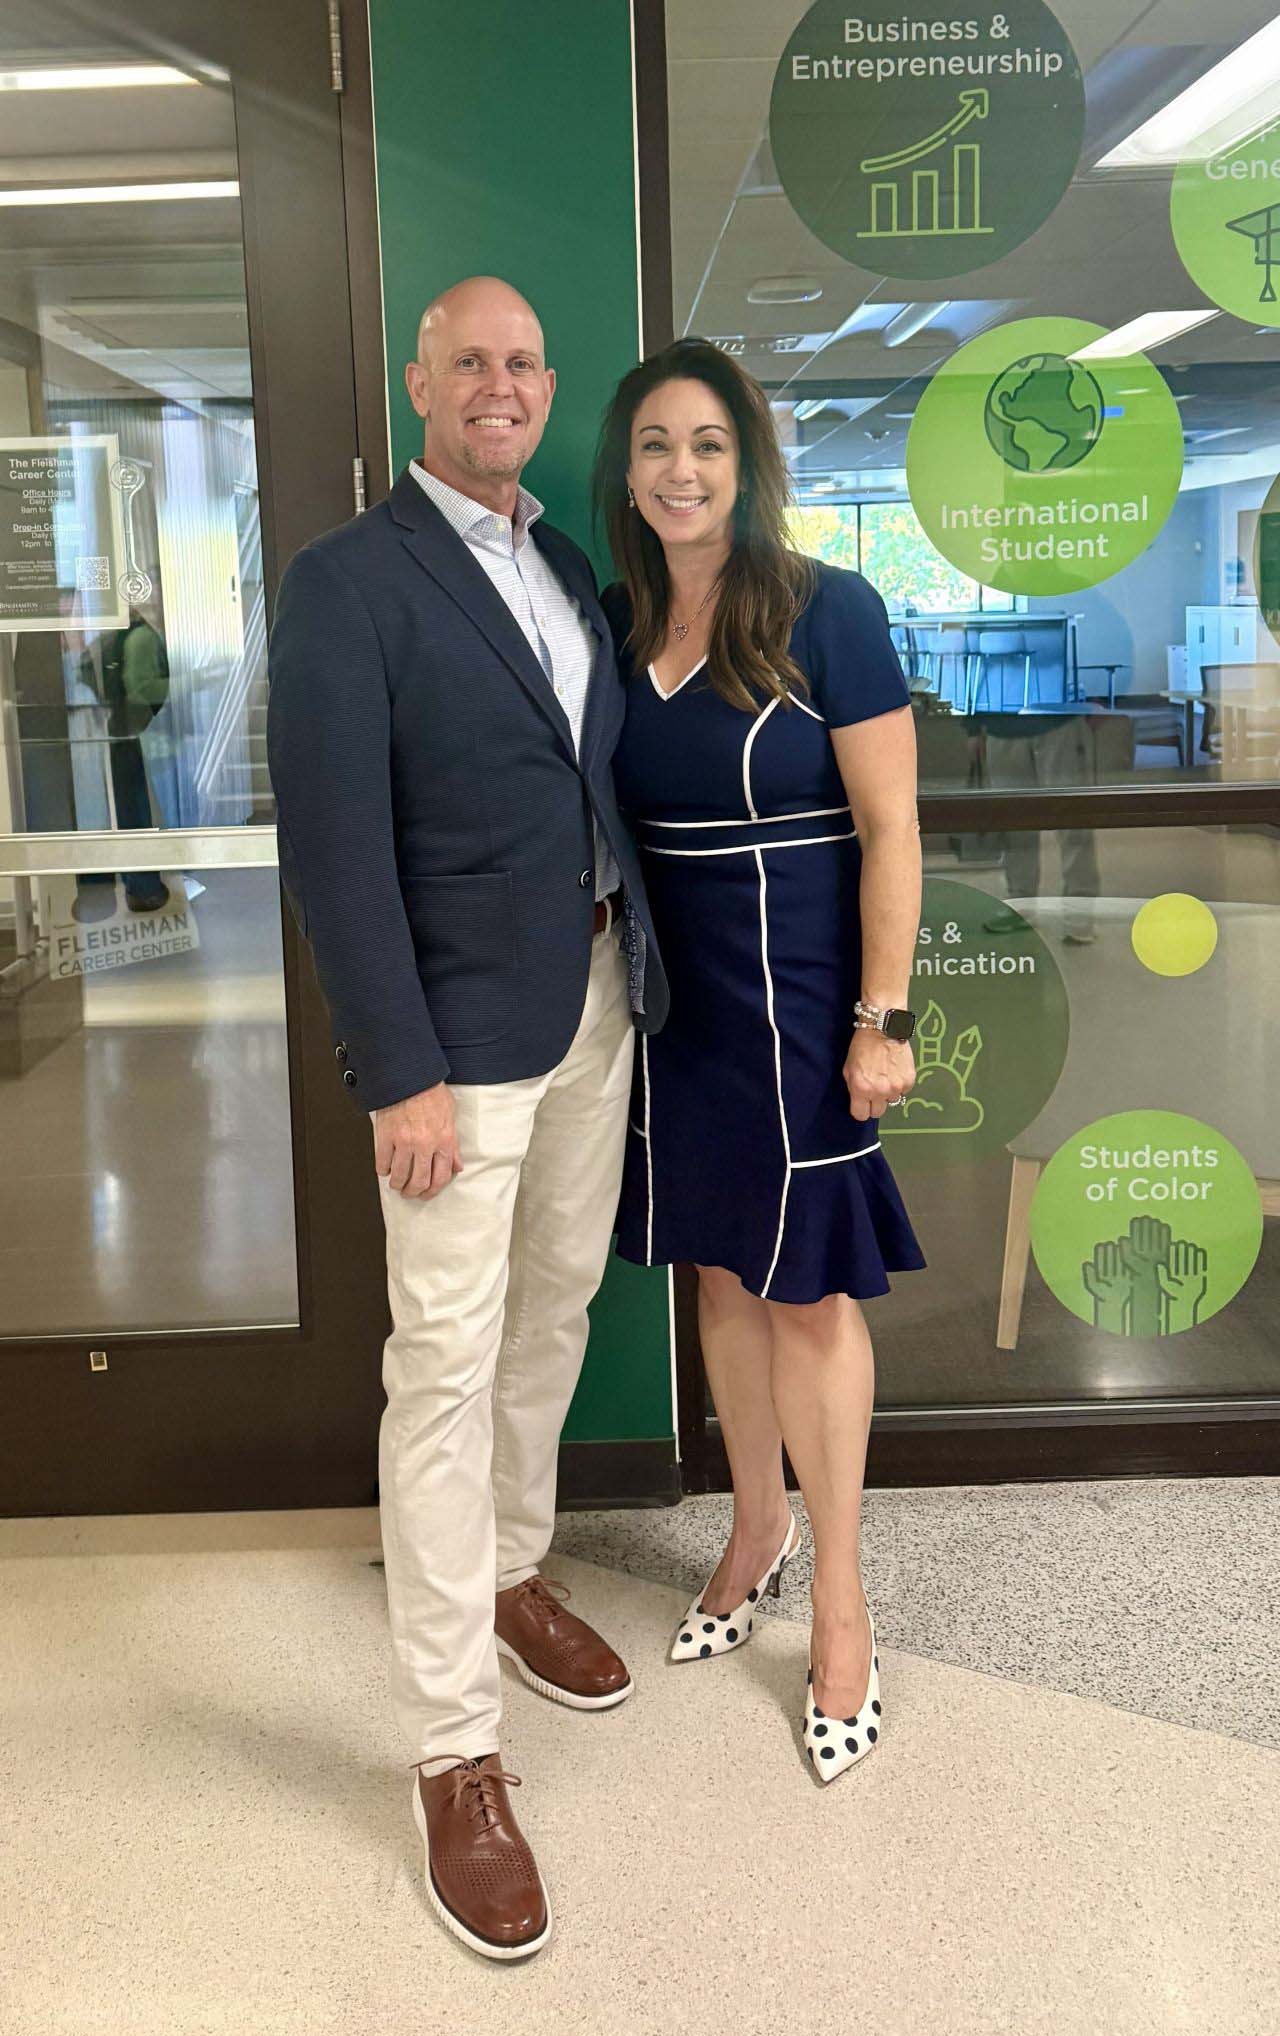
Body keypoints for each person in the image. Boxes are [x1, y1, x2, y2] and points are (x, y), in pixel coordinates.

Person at [267, 277, 667, 1959]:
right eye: (469, 362)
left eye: (523, 361)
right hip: (457, 1052)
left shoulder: (564, 564)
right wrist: (398, 1064)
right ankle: (454, 1754)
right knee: (440, 1366)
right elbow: (338, 850)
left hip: (593, 1009)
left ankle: (509, 1571)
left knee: (551, 1316)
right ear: (415, 380)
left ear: (545, 386)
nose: (498, 385)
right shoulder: (349, 583)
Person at [593, 337, 925, 1784]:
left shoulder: (825, 610)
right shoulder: (608, 622)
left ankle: (841, 1611)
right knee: (720, 1272)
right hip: (674, 1013)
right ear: (627, 466)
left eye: (709, 445)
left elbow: (895, 830)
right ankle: (755, 1530)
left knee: (806, 1297)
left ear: (749, 463)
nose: (681, 470)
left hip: (801, 1006)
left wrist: (884, 1017)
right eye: (657, 444)